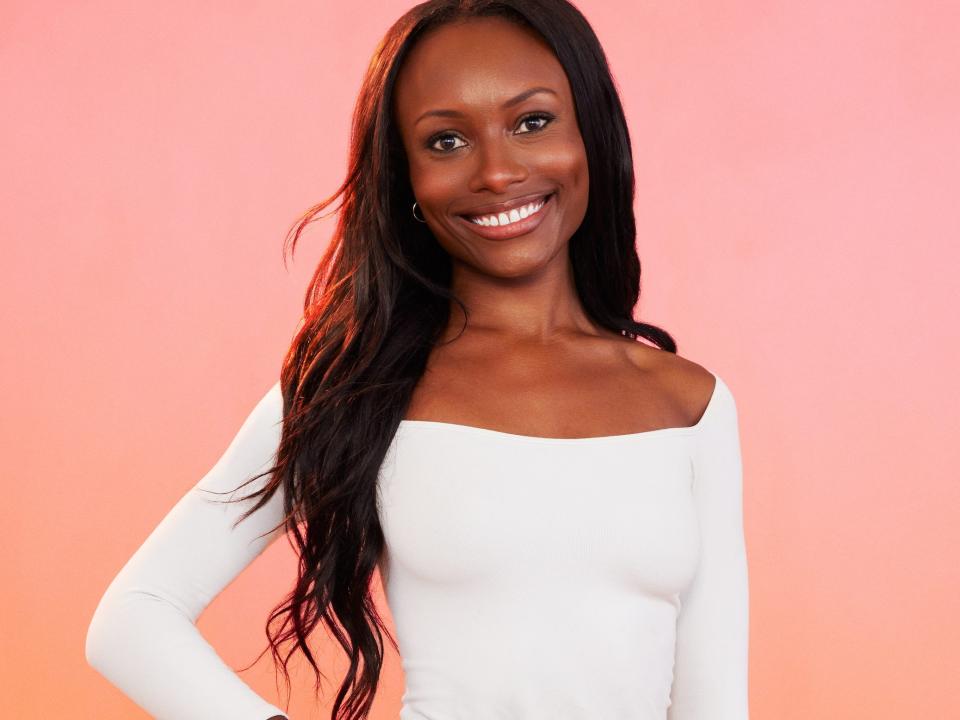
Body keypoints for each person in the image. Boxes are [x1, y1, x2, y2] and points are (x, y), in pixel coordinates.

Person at [85, 1, 750, 719]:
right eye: (446, 142)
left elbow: (715, 705)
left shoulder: (693, 407)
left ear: (591, 132)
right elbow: (134, 618)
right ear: (405, 180)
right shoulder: (357, 385)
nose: (497, 173)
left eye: (532, 122)